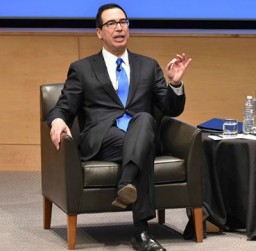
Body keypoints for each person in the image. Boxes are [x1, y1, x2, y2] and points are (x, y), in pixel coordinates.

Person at [48, 3, 192, 251]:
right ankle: (141, 231)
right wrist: (58, 119)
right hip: (103, 139)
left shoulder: (148, 66)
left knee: (145, 120)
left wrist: (175, 84)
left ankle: (126, 183)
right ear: (99, 32)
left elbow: (171, 109)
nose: (119, 28)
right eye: (111, 23)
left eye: (123, 22)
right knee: (144, 143)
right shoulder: (82, 69)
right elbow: (63, 106)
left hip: (141, 134)